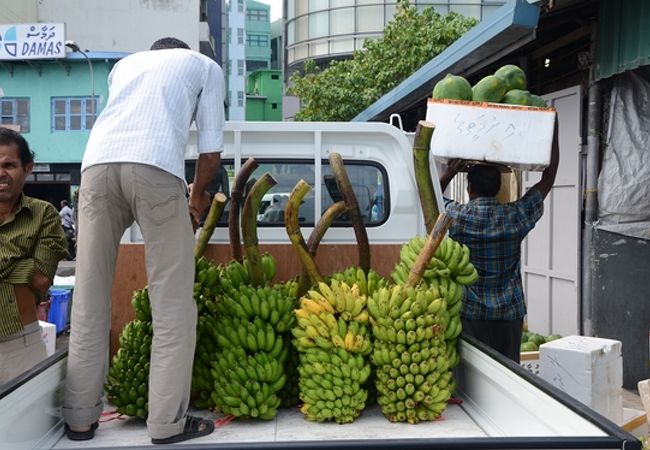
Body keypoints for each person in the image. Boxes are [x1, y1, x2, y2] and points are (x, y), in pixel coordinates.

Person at [62, 37, 225, 444]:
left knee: (89, 300)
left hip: (95, 169)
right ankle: (167, 424)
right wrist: (197, 194)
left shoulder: (125, 67)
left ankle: (79, 419)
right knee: (172, 307)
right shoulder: (204, 65)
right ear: (182, 51)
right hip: (155, 167)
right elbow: (210, 152)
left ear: (153, 53)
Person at [439, 116, 560, 363]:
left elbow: (429, 195)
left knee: (475, 378)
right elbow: (548, 179)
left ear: (469, 188)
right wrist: (553, 131)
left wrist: (449, 172)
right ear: (497, 188)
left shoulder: (458, 217)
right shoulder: (515, 216)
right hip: (509, 313)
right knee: (509, 377)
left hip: (471, 313)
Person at [0, 127, 68, 385]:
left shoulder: (44, 215)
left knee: (26, 424)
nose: (1, 173)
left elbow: (41, 280)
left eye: (9, 165)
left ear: (28, 167)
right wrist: (21, 261)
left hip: (22, 346)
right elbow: (32, 272)